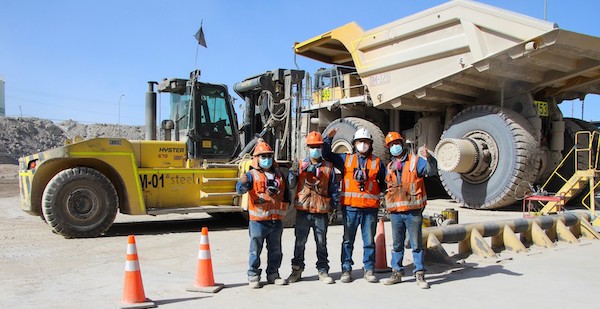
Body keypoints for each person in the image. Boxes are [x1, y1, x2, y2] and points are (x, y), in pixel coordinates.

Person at [323, 127, 386, 283]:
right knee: (347, 240)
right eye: (360, 142)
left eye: (365, 142)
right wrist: (328, 140)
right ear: (354, 143)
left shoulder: (377, 162)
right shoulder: (346, 159)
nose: (363, 144)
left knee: (369, 241)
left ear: (370, 144)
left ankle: (369, 269)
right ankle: (346, 270)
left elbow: (384, 183)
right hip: (350, 208)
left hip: (370, 209)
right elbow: (327, 155)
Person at [382, 132, 436, 289]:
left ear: (402, 144)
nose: (394, 147)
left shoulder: (415, 162)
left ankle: (419, 273)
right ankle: (396, 273)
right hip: (396, 213)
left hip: (413, 211)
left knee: (416, 244)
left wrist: (430, 158)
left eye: (396, 144)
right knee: (397, 244)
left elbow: (431, 171)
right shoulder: (390, 167)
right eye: (391, 145)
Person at [236, 140, 290, 289]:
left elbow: (286, 193)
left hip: (276, 221)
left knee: (275, 250)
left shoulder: (279, 175)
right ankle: (253, 275)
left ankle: (273, 274)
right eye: (263, 156)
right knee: (255, 250)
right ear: (257, 158)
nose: (266, 158)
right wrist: (242, 182)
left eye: (268, 156)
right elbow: (240, 190)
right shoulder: (251, 175)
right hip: (258, 221)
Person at [287, 131, 339, 284]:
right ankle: (296, 270)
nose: (315, 149)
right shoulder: (301, 164)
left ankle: (323, 271)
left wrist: (333, 208)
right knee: (300, 242)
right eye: (312, 147)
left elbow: (334, 189)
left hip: (321, 211)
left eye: (318, 147)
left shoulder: (328, 167)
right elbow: (291, 184)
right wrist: (294, 171)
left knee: (321, 242)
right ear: (307, 147)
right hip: (303, 210)